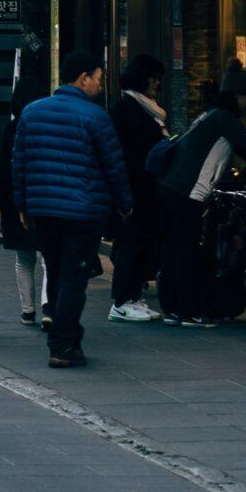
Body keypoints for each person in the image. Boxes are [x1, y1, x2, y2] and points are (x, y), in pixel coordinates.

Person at [10, 49, 131, 369]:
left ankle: (68, 335)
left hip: (43, 210)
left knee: (57, 270)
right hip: (82, 210)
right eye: (99, 78)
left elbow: (18, 162)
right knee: (74, 278)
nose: (101, 85)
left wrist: (22, 203)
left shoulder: (32, 112)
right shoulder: (94, 116)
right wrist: (124, 203)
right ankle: (62, 345)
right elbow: (114, 165)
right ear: (83, 78)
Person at [153, 68, 246, 326]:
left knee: (173, 249)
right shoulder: (224, 120)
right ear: (237, 96)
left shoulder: (210, 115)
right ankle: (189, 310)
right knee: (187, 249)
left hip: (171, 186)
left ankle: (172, 307)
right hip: (187, 191)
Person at [107, 54, 171, 323]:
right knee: (131, 245)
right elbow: (124, 152)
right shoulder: (128, 108)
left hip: (145, 189)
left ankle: (132, 297)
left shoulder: (147, 108)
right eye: (154, 78)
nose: (157, 83)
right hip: (134, 189)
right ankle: (122, 301)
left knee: (140, 244)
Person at [0, 53, 48, 327]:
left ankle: (27, 310)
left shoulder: (12, 128)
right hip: (44, 198)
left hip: (16, 200)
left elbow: (1, 167)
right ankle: (49, 308)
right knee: (48, 258)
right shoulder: (46, 124)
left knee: (23, 259)